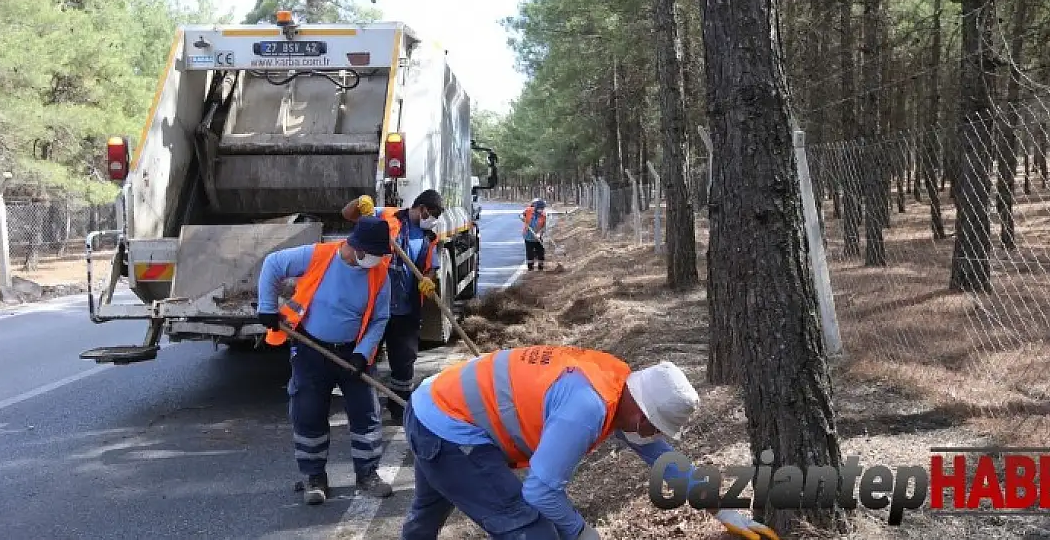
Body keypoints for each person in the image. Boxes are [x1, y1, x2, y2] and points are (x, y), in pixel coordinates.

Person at [397, 344, 713, 540]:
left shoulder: (618, 384)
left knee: (427, 513)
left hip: (433, 401)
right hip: (448, 428)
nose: (654, 438)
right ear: (644, 418)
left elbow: (661, 457)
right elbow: (540, 490)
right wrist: (580, 531)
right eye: (656, 430)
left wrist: (720, 508)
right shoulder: (588, 408)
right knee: (531, 531)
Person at [256, 216, 396, 505]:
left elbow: (380, 319)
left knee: (366, 414)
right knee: (308, 413)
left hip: (352, 354)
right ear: (357, 248)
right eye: (374, 254)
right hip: (311, 350)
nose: (378, 259)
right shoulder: (317, 256)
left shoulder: (380, 273)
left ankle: (368, 474)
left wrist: (363, 353)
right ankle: (313, 477)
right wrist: (267, 307)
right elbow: (272, 264)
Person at [342, 190, 444, 424]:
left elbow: (430, 267)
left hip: (405, 309)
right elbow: (347, 214)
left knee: (404, 360)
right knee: (365, 357)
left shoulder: (429, 237)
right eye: (433, 214)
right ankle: (365, 408)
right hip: (375, 305)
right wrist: (359, 203)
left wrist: (428, 280)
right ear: (423, 208)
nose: (433, 219)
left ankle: (399, 409)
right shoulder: (383, 216)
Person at [521, 198, 548, 271]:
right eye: (540, 209)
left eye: (542, 209)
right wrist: (523, 218)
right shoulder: (529, 210)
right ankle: (530, 267)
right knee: (530, 252)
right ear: (536, 208)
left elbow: (544, 227)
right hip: (528, 236)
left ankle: (540, 266)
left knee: (541, 251)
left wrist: (539, 233)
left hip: (537, 237)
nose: (541, 210)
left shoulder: (543, 215)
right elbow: (522, 215)